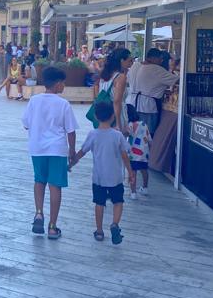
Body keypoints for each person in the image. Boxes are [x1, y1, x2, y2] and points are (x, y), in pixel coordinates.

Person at [21, 66, 78, 240]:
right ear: (58, 83)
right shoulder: (63, 104)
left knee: (39, 181)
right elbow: (71, 131)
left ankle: (39, 213)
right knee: (55, 186)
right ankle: (52, 227)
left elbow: (26, 124)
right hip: (57, 149)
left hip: (37, 148)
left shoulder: (34, 100)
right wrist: (72, 151)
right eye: (63, 83)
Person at [71, 101, 132, 245]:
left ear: (96, 117)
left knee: (99, 203)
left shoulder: (93, 134)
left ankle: (99, 231)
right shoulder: (117, 136)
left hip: (98, 178)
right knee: (118, 201)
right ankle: (115, 224)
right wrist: (131, 172)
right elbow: (125, 155)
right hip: (116, 178)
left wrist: (71, 163)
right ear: (113, 117)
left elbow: (82, 152)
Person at [126, 48, 179, 136]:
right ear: (154, 58)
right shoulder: (156, 69)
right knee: (146, 135)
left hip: (131, 104)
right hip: (147, 107)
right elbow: (178, 80)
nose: (161, 61)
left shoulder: (135, 65)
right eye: (160, 59)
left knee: (133, 133)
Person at [95, 48, 133, 133]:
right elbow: (117, 101)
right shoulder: (120, 77)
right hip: (116, 115)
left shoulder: (104, 75)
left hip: (104, 114)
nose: (131, 64)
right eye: (129, 61)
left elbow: (96, 89)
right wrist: (118, 123)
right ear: (122, 60)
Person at [127, 116, 151, 200]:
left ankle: (133, 193)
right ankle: (145, 188)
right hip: (144, 152)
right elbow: (149, 138)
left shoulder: (129, 125)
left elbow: (126, 134)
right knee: (144, 170)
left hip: (133, 153)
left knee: (133, 172)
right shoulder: (144, 124)